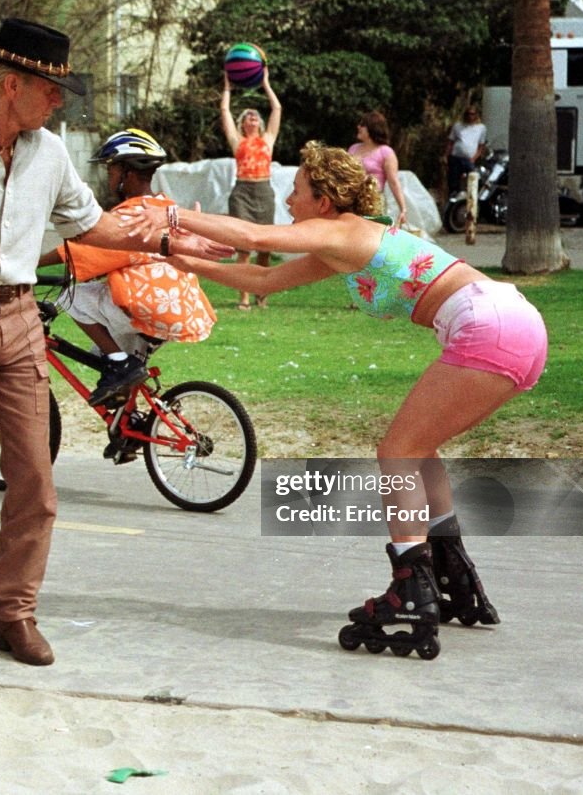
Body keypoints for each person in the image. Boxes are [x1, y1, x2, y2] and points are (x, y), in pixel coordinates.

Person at [0, 18, 230, 672]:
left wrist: (169, 242)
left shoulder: (49, 153)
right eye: (50, 90)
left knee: (36, 481)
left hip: (22, 317)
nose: (60, 102)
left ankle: (15, 614)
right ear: (7, 85)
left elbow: (96, 225)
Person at [122, 141, 548, 659]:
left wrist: (172, 215)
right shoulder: (344, 245)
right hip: (513, 324)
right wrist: (173, 253)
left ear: (323, 200)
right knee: (418, 449)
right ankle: (449, 570)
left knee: (397, 450)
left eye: (295, 192)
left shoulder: (341, 228)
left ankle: (411, 586)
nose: (288, 203)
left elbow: (255, 236)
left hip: (490, 324)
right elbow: (262, 278)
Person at [38, 128, 216, 411]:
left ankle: (120, 364)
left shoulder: (131, 216)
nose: (108, 177)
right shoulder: (165, 206)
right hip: (176, 309)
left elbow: (80, 253)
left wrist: (29, 264)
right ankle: (128, 425)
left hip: (148, 308)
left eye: (111, 171)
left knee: (73, 297)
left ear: (127, 174)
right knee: (117, 370)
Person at [219, 68, 282, 310]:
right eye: (248, 116)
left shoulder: (268, 139)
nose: (253, 117)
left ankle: (261, 294)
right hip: (242, 193)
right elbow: (224, 111)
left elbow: (277, 109)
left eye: (256, 115)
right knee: (244, 249)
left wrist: (265, 83)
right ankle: (244, 298)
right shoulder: (238, 141)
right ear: (243, 123)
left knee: (265, 249)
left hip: (264, 191)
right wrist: (227, 87)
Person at [348, 111, 408, 225]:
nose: (358, 127)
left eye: (362, 125)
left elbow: (393, 182)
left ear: (372, 128)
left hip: (372, 202)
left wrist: (403, 208)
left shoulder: (386, 152)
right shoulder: (353, 149)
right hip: (352, 201)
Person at [446, 104, 488, 196]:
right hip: (456, 157)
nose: (470, 116)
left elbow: (481, 147)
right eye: (468, 114)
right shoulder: (458, 126)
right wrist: (446, 157)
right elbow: (450, 143)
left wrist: (473, 159)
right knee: (453, 183)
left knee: (474, 180)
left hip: (469, 159)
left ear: (476, 115)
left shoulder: (481, 128)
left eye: (472, 114)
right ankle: (453, 200)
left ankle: (472, 200)